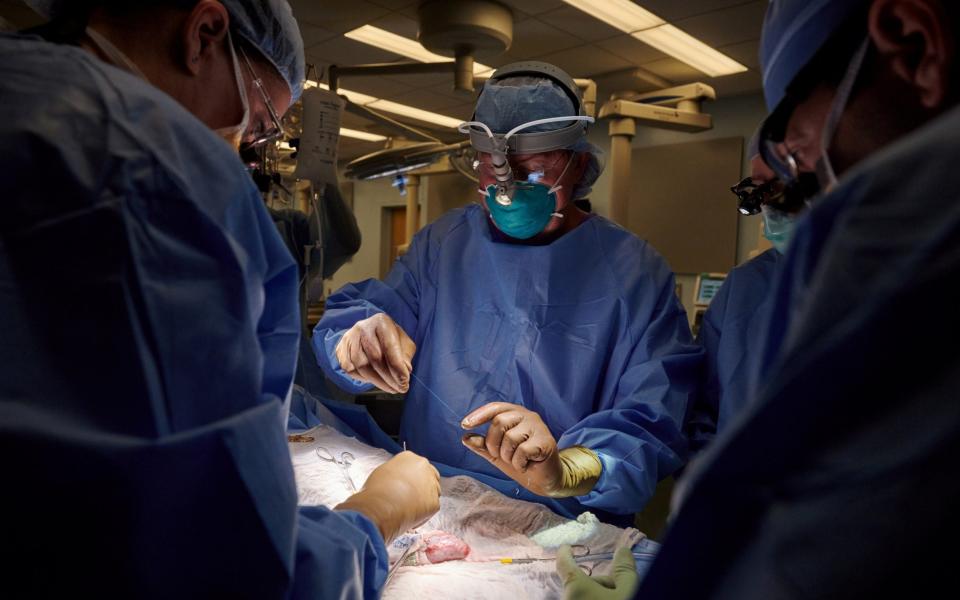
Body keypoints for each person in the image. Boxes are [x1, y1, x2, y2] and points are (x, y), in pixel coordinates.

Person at [0, 1, 439, 597]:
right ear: (204, 34)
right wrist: (378, 513)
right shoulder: (162, 173)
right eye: (257, 126)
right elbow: (235, 567)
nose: (240, 151)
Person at [629, 0, 960, 597]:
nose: (806, 185)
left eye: (798, 155)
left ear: (911, 41)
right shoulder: (756, 290)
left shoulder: (898, 245)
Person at [314, 61, 702, 524]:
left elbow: (653, 417)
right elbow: (375, 311)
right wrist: (356, 338)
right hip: (434, 500)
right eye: (492, 172)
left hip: (563, 522)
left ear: (577, 164)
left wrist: (567, 469)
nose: (508, 190)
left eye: (533, 171)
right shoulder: (445, 245)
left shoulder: (635, 273)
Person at [686, 140, 807, 453]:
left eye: (778, 188)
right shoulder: (745, 286)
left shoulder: (887, 281)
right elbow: (701, 410)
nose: (768, 206)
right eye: (761, 192)